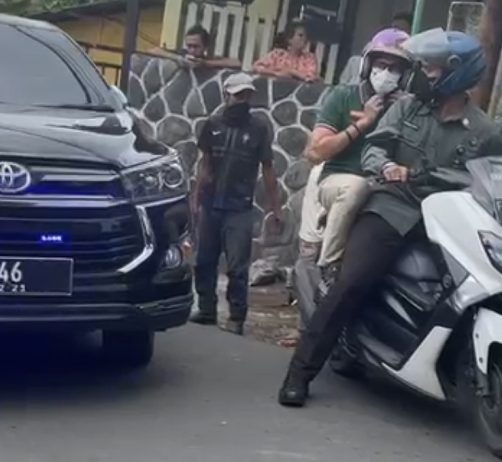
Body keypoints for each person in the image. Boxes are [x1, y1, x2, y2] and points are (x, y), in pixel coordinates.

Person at [278, 28, 499, 407]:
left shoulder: (485, 131)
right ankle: (299, 373)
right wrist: (386, 166)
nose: (424, 73)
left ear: (457, 71)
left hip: (450, 219)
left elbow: (492, 176)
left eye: (432, 67)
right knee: (351, 283)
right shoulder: (408, 107)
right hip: (393, 206)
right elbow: (375, 148)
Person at [306, 28, 412, 294]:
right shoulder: (343, 96)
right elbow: (316, 152)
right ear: (368, 65)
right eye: (381, 65)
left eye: (395, 69)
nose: (386, 73)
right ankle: (329, 266)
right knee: (356, 187)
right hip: (339, 181)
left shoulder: (408, 108)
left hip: (384, 189)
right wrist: (362, 124)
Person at [190, 73, 281, 336]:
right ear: (226, 95)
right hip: (211, 203)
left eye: (247, 95)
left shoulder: (258, 129)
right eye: (238, 95)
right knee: (204, 261)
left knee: (237, 266)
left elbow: (267, 168)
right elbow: (205, 164)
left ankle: (236, 317)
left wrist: (275, 207)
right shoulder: (212, 125)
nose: (243, 100)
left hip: (239, 207)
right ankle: (206, 310)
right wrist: (196, 198)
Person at [284, 163, 325, 347]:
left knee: (307, 276)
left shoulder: (324, 173)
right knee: (304, 277)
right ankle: (305, 330)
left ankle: (312, 332)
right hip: (313, 236)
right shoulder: (318, 172)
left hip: (319, 238)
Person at [340, 12, 412, 85]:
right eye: (380, 65)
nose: (395, 32)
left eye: (400, 30)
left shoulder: (409, 57)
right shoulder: (357, 60)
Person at [252, 19, 318, 82]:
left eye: (306, 36)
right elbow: (257, 67)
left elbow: (310, 77)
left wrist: (291, 72)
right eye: (300, 35)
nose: (305, 38)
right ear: (290, 39)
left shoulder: (309, 58)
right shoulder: (277, 54)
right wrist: (276, 73)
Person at [149, 24, 241, 69]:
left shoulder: (208, 59)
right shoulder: (182, 54)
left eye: (196, 46)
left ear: (205, 47)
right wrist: (178, 58)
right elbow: (153, 51)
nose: (192, 50)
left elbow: (236, 63)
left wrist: (205, 63)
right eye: (189, 46)